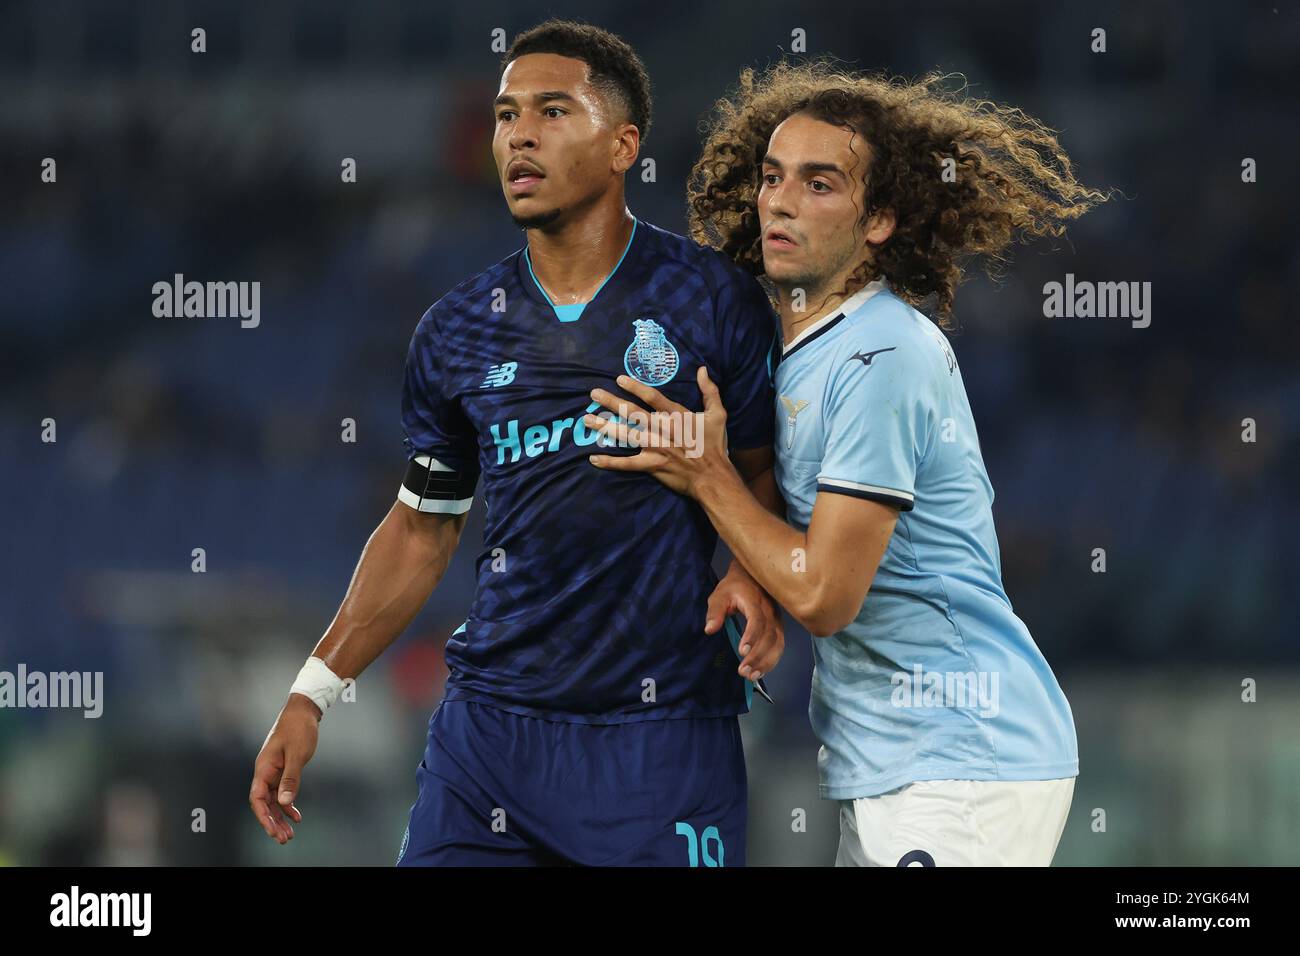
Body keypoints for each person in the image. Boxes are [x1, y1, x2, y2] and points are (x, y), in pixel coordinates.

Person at [249, 20, 784, 867]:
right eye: (505, 116)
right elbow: (423, 527)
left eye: (551, 111)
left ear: (623, 145)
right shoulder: (456, 331)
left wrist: (752, 574)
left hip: (661, 742)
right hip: (489, 740)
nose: (519, 134)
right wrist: (313, 691)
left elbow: (762, 472)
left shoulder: (713, 302)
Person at [585, 61, 1109, 866]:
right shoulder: (794, 350)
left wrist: (709, 477)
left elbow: (825, 595)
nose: (781, 200)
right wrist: (751, 575)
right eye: (771, 177)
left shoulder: (882, 355)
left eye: (820, 184)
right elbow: (803, 534)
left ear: (880, 222)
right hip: (889, 761)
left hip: (962, 755)